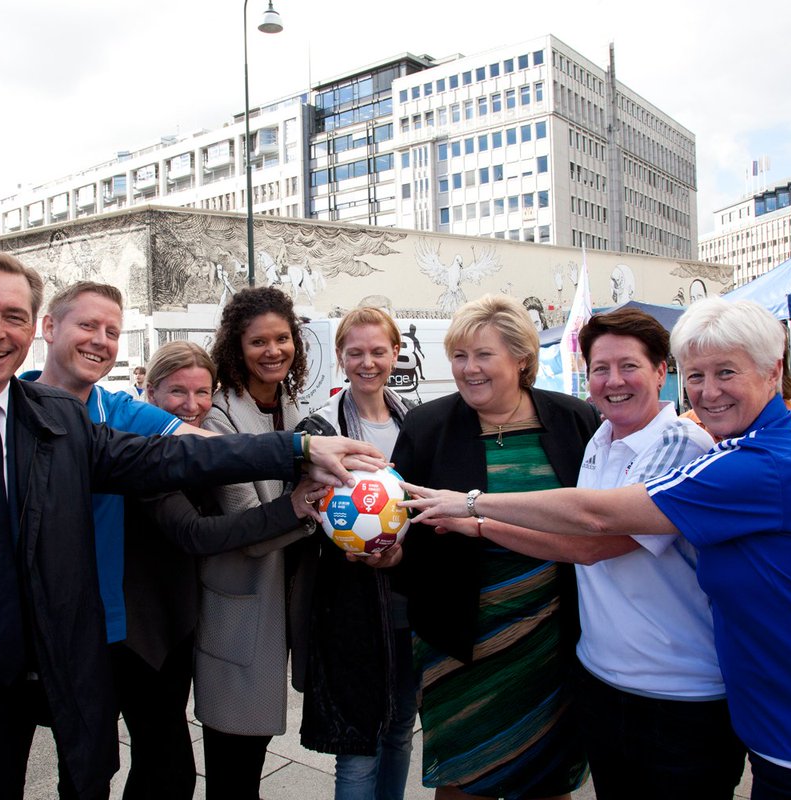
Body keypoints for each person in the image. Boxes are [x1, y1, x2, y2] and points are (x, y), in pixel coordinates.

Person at [0, 252, 382, 800]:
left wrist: (297, 449)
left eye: (12, 316)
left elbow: (177, 456)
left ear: (30, 328)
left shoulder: (55, 420)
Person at [405, 298, 791, 800]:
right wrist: (478, 525)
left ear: (773, 371)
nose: (708, 391)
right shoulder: (612, 437)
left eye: (726, 372)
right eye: (698, 375)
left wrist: (472, 505)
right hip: (692, 693)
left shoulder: (744, 460)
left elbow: (595, 529)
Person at [26, 287, 327, 799]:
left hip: (150, 624)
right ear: (49, 328)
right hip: (78, 625)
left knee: (162, 767)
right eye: (87, 326)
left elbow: (210, 447)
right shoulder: (21, 412)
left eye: (112, 331)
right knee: (88, 768)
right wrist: (295, 492)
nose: (193, 406)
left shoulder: (123, 412)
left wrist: (303, 449)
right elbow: (195, 530)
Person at [429, 307, 742, 797]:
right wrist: (479, 525)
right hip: (601, 679)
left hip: (677, 693)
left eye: (629, 366)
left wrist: (474, 509)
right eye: (600, 368)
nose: (613, 381)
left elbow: (593, 539)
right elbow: (571, 540)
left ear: (662, 371)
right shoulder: (599, 436)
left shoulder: (681, 442)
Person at [392, 294, 594, 799]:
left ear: (522, 358)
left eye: (483, 354)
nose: (469, 368)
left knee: (547, 779)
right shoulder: (427, 427)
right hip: (457, 639)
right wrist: (389, 554)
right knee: (463, 778)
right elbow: (403, 525)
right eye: (459, 356)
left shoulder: (576, 420)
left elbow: (594, 519)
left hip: (552, 637)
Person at [195, 286, 320, 799]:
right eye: (258, 342)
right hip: (243, 602)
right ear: (236, 347)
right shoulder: (220, 414)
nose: (273, 351)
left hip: (284, 599)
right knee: (233, 758)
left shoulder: (291, 405)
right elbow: (245, 521)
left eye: (282, 339)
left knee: (255, 747)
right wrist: (309, 503)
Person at [298, 307, 417, 800]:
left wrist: (401, 548)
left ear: (395, 353)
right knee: (358, 745)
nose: (368, 363)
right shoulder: (319, 428)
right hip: (349, 606)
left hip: (407, 602)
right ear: (341, 357)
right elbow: (306, 511)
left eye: (378, 351)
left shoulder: (416, 421)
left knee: (401, 729)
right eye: (356, 352)